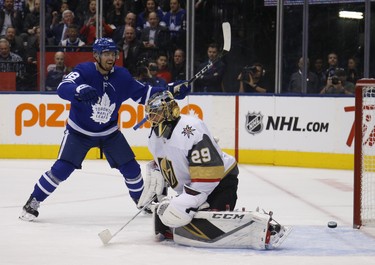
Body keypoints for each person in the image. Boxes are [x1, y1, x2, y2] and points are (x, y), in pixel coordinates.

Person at [19, 38, 191, 221]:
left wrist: (170, 91)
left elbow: (145, 93)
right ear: (96, 55)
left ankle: (142, 201)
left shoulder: (122, 76)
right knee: (61, 169)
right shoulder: (84, 71)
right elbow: (63, 88)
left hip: (109, 133)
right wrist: (78, 90)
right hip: (79, 133)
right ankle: (33, 201)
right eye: (106, 54)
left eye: (113, 54)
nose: (111, 58)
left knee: (131, 169)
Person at [135, 90, 291, 249]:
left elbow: (210, 172)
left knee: (209, 216)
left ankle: (267, 228)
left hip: (221, 180)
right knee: (174, 214)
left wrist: (189, 200)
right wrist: (158, 183)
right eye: (150, 115)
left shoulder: (191, 129)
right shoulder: (154, 138)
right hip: (192, 186)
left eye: (156, 114)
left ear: (169, 111)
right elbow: (165, 165)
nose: (151, 119)